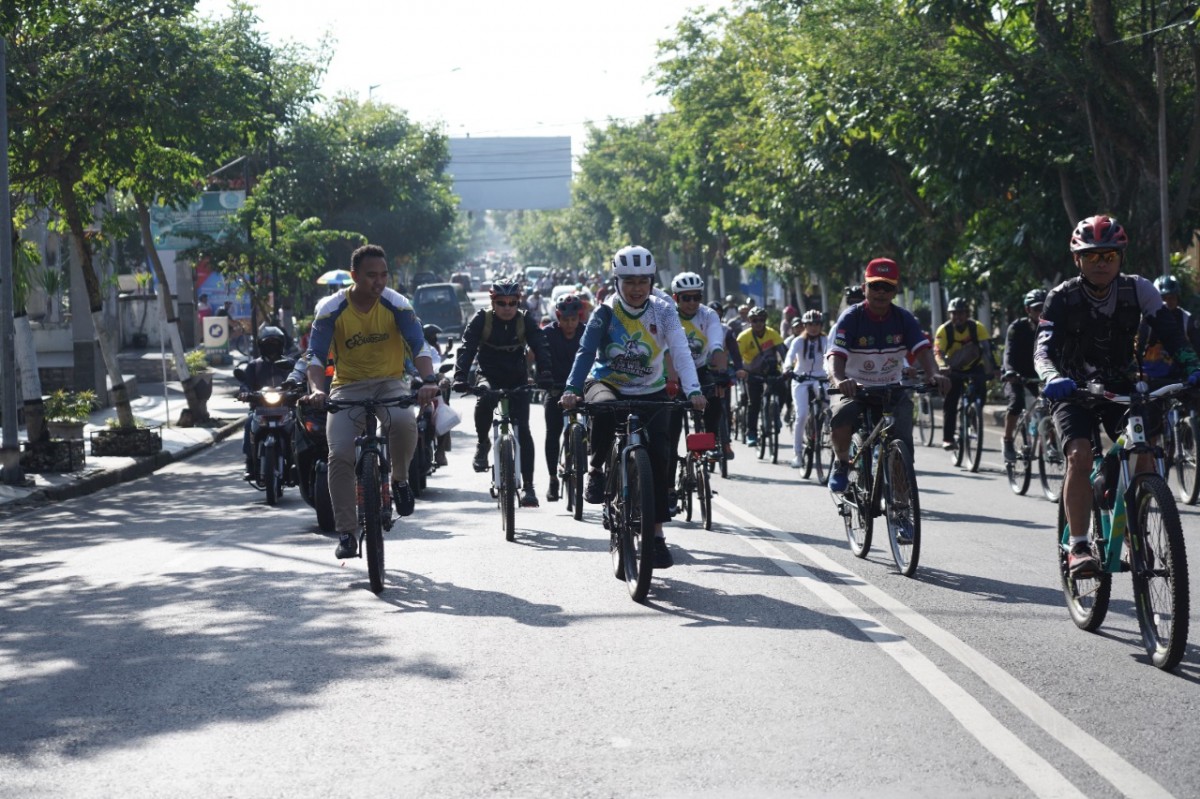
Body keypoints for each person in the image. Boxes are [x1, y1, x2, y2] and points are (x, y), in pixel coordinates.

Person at [1036, 214, 1200, 576]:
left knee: (1142, 454)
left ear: (1120, 258)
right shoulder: (1060, 298)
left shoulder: (1139, 289)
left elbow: (1173, 334)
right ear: (1077, 259)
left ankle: (1132, 519)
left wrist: (1191, 365)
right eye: (1092, 256)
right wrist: (1051, 376)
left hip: (1123, 387)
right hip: (1072, 389)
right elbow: (1043, 350)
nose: (1101, 264)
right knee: (1079, 456)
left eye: (1108, 256)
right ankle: (1078, 545)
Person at [561, 245, 705, 569]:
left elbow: (681, 352)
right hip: (607, 383)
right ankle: (597, 470)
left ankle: (656, 537)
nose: (637, 288)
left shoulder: (665, 311)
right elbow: (585, 353)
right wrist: (571, 389)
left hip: (651, 388)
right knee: (603, 407)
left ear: (652, 282)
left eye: (643, 281)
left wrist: (693, 390)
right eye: (629, 281)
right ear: (616, 282)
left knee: (660, 454)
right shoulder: (605, 312)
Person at [301, 244, 441, 561]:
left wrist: (429, 381)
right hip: (347, 387)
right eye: (371, 276)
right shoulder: (331, 309)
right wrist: (316, 389)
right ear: (354, 276)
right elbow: (316, 355)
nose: (378, 282)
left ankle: (400, 480)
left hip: (390, 382)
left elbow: (418, 346)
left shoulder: (397, 304)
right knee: (339, 455)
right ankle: (348, 533)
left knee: (405, 422)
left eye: (383, 275)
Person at [828, 258, 947, 492]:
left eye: (887, 287)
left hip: (891, 389)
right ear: (865, 288)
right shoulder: (851, 318)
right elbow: (836, 356)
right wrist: (840, 381)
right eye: (875, 286)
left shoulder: (904, 319)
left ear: (895, 291)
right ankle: (841, 463)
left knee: (903, 444)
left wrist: (935, 374)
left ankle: (901, 504)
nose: (880, 292)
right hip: (855, 388)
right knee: (842, 417)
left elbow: (923, 350)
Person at [452, 279, 554, 508]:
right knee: (485, 396)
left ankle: (528, 486)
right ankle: (482, 444)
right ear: (493, 302)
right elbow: (467, 347)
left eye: (512, 302)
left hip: (517, 376)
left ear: (518, 302)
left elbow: (540, 344)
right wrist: (460, 376)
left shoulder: (525, 319)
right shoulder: (482, 319)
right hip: (489, 374)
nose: (507, 308)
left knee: (524, 430)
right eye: (501, 303)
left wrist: (545, 371)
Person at [667, 272, 729, 507]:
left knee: (714, 396)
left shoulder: (708, 315)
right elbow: (663, 349)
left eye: (696, 297)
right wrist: (671, 381)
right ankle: (669, 489)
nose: (692, 302)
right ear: (676, 298)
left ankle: (709, 443)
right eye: (686, 298)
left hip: (700, 369)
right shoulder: (668, 315)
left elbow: (715, 344)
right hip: (672, 370)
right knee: (670, 437)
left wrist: (721, 371)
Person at [935, 297, 996, 451]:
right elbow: (938, 352)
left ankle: (974, 415)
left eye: (961, 313)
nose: (958, 317)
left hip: (975, 367)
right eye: (954, 313)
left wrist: (996, 368)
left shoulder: (977, 327)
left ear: (967, 314)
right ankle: (948, 439)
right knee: (950, 402)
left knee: (981, 393)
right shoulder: (945, 330)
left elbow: (988, 348)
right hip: (952, 369)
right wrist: (942, 366)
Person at [236, 326, 296, 481]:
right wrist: (244, 392)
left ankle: (298, 462)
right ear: (261, 345)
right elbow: (246, 384)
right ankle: (250, 463)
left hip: (285, 408)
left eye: (275, 343)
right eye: (268, 343)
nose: (272, 346)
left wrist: (299, 391)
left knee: (300, 425)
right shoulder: (254, 366)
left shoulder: (290, 364)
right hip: (260, 409)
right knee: (249, 423)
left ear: (281, 344)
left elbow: (300, 380)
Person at [541, 294, 584, 502]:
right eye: (565, 319)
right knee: (553, 433)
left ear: (579, 318)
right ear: (558, 317)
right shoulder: (548, 333)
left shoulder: (586, 333)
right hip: (555, 390)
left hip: (581, 391)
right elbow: (534, 354)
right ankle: (552, 479)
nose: (569, 324)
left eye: (573, 319)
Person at [1000, 289, 1045, 461]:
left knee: (1053, 405)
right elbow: (1008, 354)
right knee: (1016, 402)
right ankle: (1008, 440)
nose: (1041, 313)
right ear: (1028, 310)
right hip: (1015, 374)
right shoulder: (1017, 327)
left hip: (1040, 373)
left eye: (1044, 308)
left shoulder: (1052, 327)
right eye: (1037, 309)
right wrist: (1010, 371)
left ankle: (1052, 444)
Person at [736, 306, 787, 448]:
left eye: (761, 320)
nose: (758, 323)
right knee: (754, 403)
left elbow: (783, 352)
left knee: (783, 389)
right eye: (754, 320)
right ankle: (751, 433)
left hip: (771, 371)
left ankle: (775, 414)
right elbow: (737, 358)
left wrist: (787, 369)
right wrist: (740, 370)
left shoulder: (772, 333)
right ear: (749, 321)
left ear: (765, 321)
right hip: (752, 374)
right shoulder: (744, 337)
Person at [783, 309, 829, 469]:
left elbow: (831, 356)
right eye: (810, 324)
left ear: (821, 325)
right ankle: (797, 455)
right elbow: (789, 357)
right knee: (802, 414)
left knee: (829, 407)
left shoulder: (825, 340)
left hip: (821, 378)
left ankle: (827, 432)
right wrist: (787, 368)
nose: (813, 327)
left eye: (817, 324)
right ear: (804, 325)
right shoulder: (798, 341)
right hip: (800, 379)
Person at [1139, 275, 1200, 382]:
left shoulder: (1187, 320)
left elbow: (1197, 348)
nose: (1167, 302)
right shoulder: (1144, 320)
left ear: (1177, 298)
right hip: (1147, 379)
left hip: (1177, 380)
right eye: (1163, 298)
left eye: (1171, 297)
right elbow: (1135, 350)